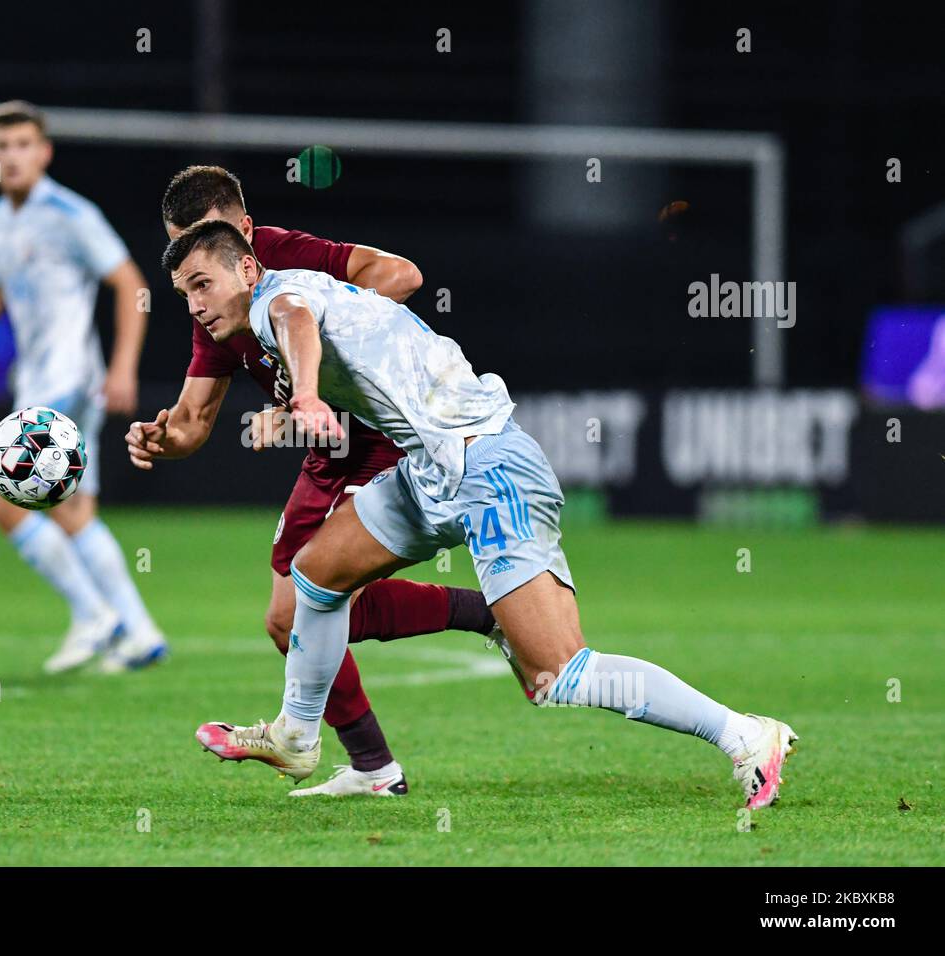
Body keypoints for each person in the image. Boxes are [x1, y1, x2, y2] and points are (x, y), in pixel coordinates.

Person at [160, 219, 799, 810]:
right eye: (184, 292)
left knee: (558, 675)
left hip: (490, 468)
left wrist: (302, 395)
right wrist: (292, 398)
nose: (194, 303)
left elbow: (297, 322)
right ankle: (297, 735)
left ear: (247, 268)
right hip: (429, 469)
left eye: (202, 283)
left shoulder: (280, 298)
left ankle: (744, 733)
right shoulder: (285, 304)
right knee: (317, 575)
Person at [124, 166, 500, 797]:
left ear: (241, 234)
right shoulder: (211, 302)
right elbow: (192, 424)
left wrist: (327, 369)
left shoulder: (281, 263)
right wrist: (163, 439)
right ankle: (377, 769)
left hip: (384, 435)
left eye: (202, 253)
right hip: (329, 454)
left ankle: (488, 616)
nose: (191, 274)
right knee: (284, 619)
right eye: (181, 260)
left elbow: (401, 275)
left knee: (317, 596)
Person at [0, 100, 165, 674]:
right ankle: (138, 631)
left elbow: (132, 283)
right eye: (2, 146)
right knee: (74, 506)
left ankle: (92, 615)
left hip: (68, 377)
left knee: (5, 500)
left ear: (44, 152)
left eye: (24, 145)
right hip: (35, 379)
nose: (12, 156)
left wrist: (125, 366)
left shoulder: (69, 212)